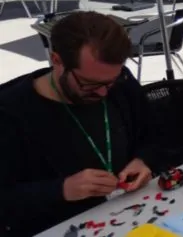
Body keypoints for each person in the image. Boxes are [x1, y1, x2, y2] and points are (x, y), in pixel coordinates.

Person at [0, 12, 160, 236]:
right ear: (57, 61)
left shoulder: (121, 83)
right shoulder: (10, 112)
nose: (103, 93)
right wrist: (61, 190)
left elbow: (155, 136)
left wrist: (144, 160)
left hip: (132, 215)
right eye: (89, 84)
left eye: (110, 82)